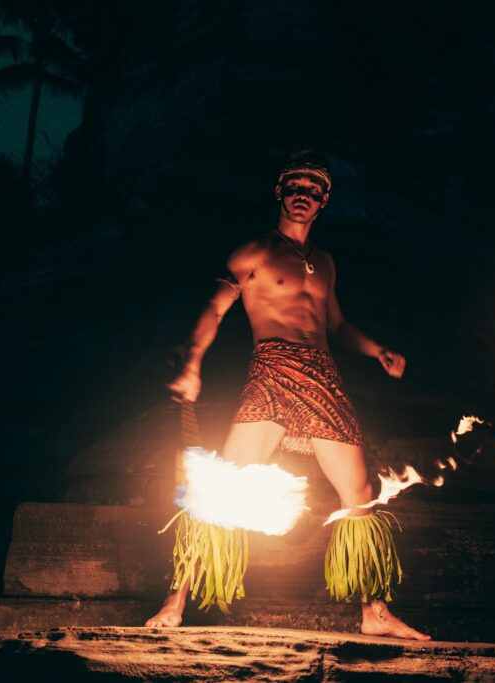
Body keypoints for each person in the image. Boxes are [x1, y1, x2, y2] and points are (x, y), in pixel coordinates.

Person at [145, 151, 430, 640]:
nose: (304, 194)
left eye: (313, 189)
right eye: (295, 186)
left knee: (359, 495)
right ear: (280, 193)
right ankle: (175, 602)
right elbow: (214, 310)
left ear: (323, 202)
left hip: (323, 377)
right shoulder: (252, 252)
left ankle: (374, 614)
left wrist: (376, 349)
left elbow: (336, 326)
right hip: (273, 370)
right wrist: (193, 362)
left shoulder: (324, 261)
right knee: (218, 490)